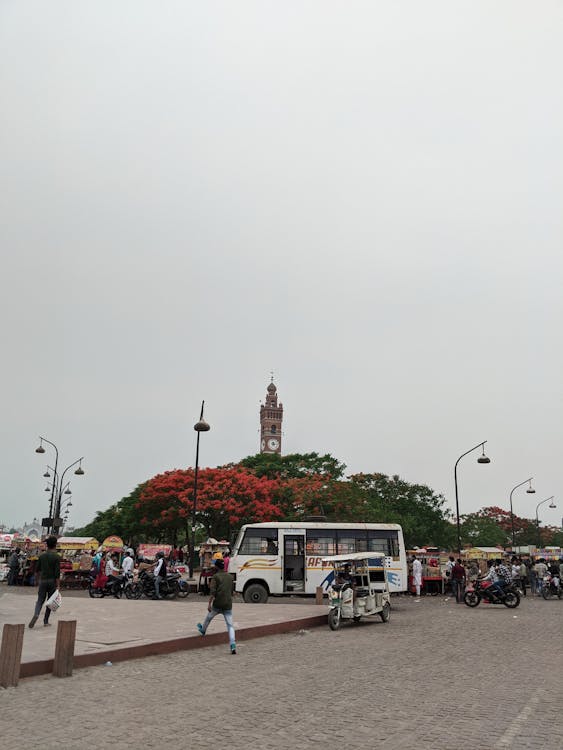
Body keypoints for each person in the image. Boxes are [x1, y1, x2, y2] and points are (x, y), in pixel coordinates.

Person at [197, 558, 237, 654]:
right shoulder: (229, 577)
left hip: (218, 604)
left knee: (209, 617)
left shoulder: (215, 577)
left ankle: (203, 630)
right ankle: (232, 644)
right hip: (227, 604)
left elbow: (213, 592)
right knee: (230, 625)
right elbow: (232, 591)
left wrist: (209, 604)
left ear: (216, 567)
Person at [29, 536, 60, 628]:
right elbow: (57, 573)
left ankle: (36, 613)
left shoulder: (41, 556)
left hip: (43, 580)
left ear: (47, 545)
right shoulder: (56, 557)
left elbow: (37, 570)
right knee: (50, 602)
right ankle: (46, 621)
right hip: (52, 582)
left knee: (40, 600)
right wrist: (58, 585)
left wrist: (36, 580)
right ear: (55, 545)